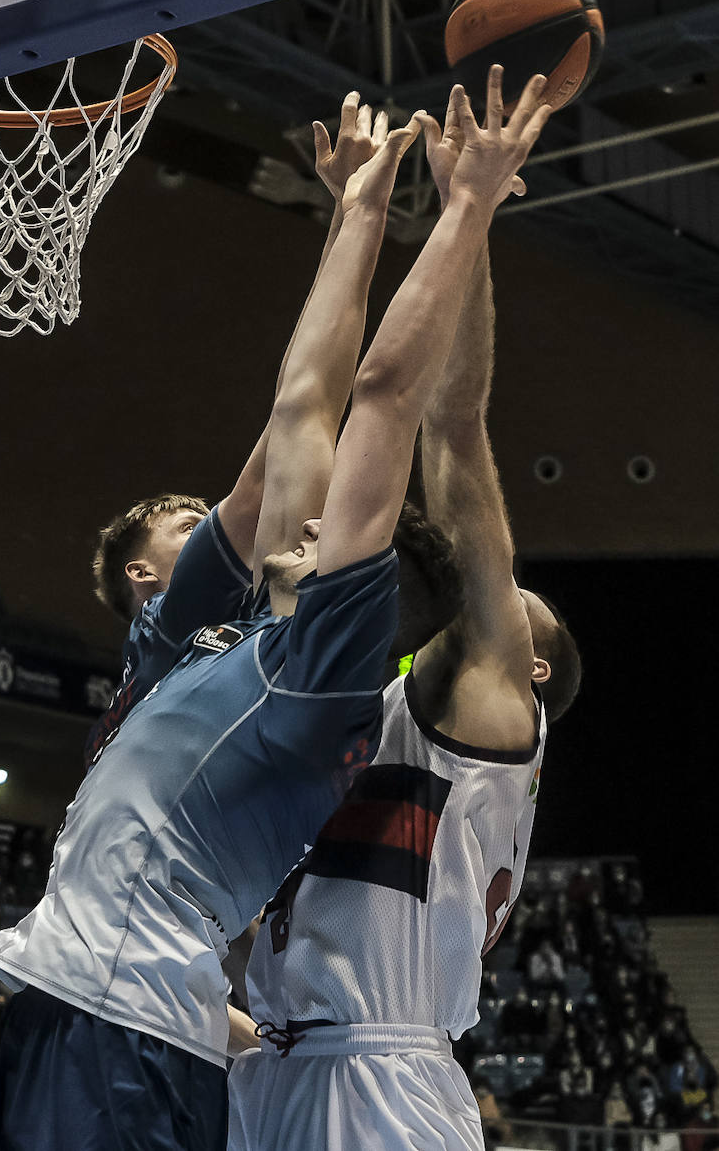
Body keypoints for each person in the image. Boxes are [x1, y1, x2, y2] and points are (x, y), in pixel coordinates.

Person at [0, 99, 468, 1151]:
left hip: (125, 1014)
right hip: (86, 1001)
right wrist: (357, 209)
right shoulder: (213, 640)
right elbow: (302, 404)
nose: (303, 523)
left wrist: (464, 206)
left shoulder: (320, 683)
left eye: (335, 532)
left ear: (366, 598)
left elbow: (382, 397)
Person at [230, 70, 580, 1151]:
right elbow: (312, 421)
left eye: (521, 612)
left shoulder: (487, 718)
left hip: (381, 1076)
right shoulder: (353, 694)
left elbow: (452, 425)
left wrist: (469, 216)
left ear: (529, 677)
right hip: (276, 1059)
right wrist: (391, 217)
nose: (503, 596)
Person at [85, 94, 399, 768]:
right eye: (188, 527)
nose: (213, 526)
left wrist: (350, 213)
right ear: (143, 574)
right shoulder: (169, 625)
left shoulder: (184, 653)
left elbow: (298, 406)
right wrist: (354, 211)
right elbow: (300, 409)